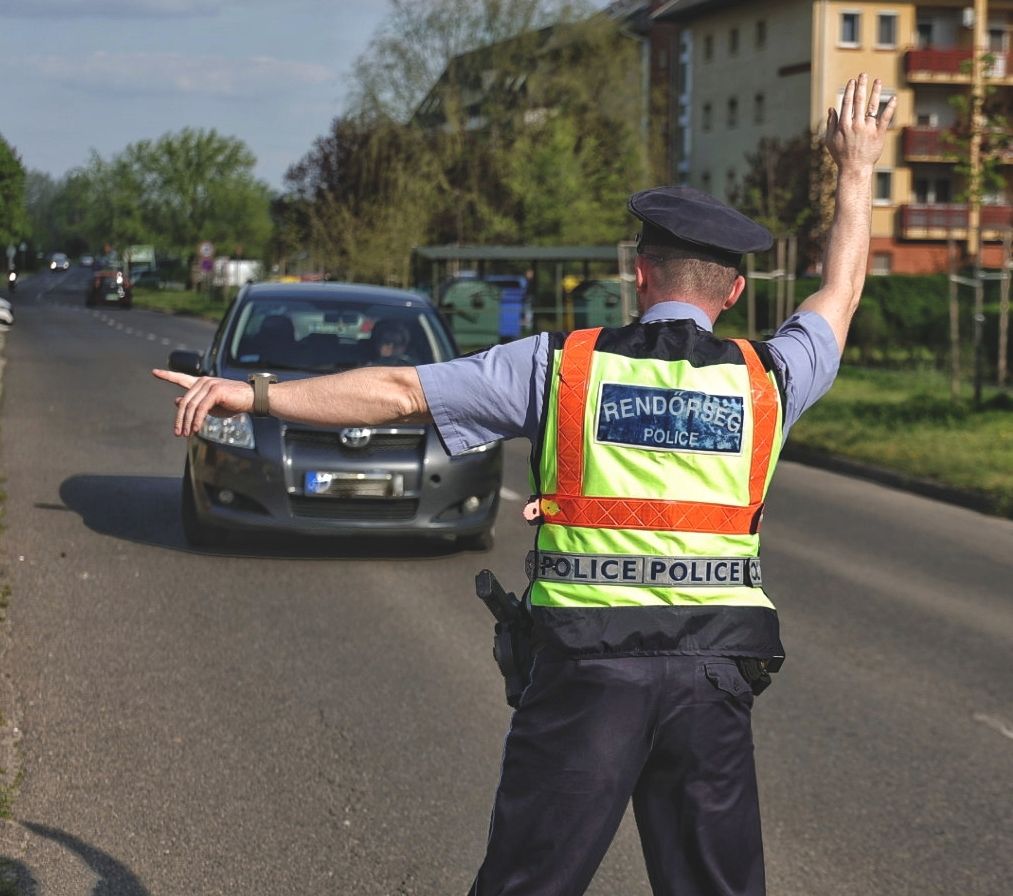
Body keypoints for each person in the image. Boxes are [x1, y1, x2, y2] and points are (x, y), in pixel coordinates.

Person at [155, 74, 894, 896]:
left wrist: (253, 393)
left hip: (587, 674)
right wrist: (855, 166)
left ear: (639, 275)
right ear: (735, 292)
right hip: (713, 675)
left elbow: (399, 390)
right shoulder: (768, 378)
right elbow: (841, 292)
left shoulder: (559, 367)